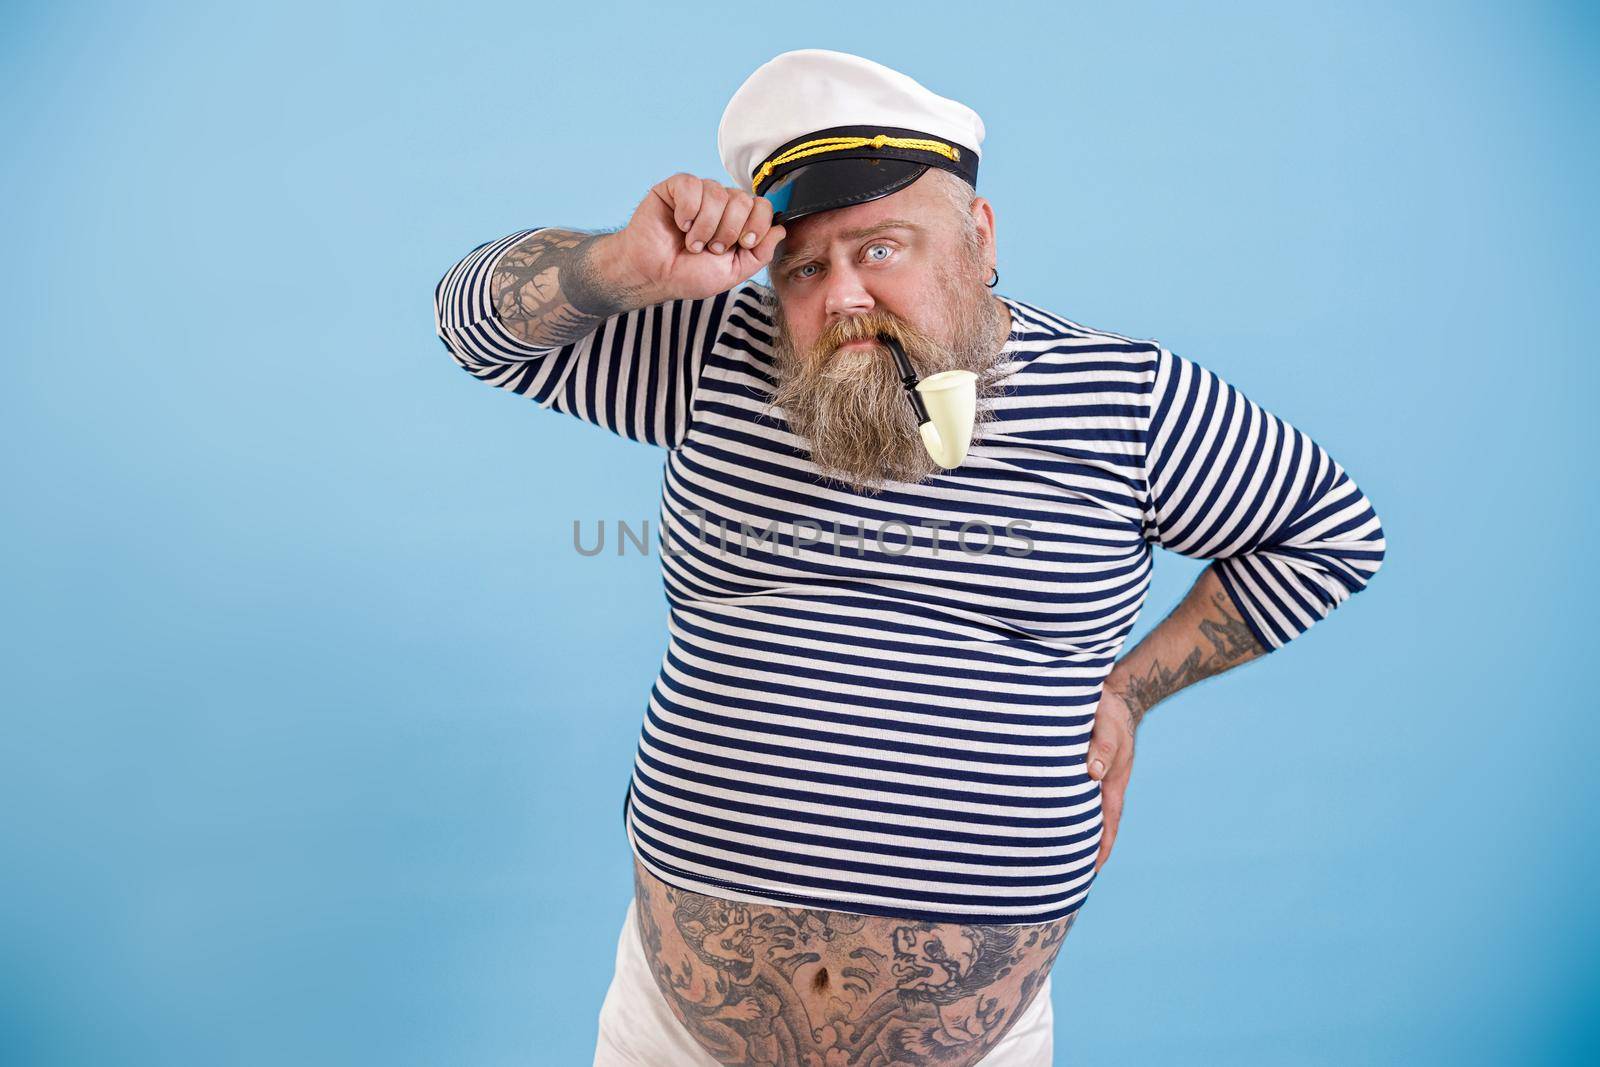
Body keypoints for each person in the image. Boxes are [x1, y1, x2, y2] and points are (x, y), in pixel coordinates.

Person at [432, 49, 1386, 1067]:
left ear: (978, 237)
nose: (842, 296)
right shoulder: (717, 354)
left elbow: (1328, 532)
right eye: (803, 266)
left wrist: (1130, 690)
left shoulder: (1127, 401)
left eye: (880, 248)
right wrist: (621, 264)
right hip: (672, 1036)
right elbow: (473, 325)